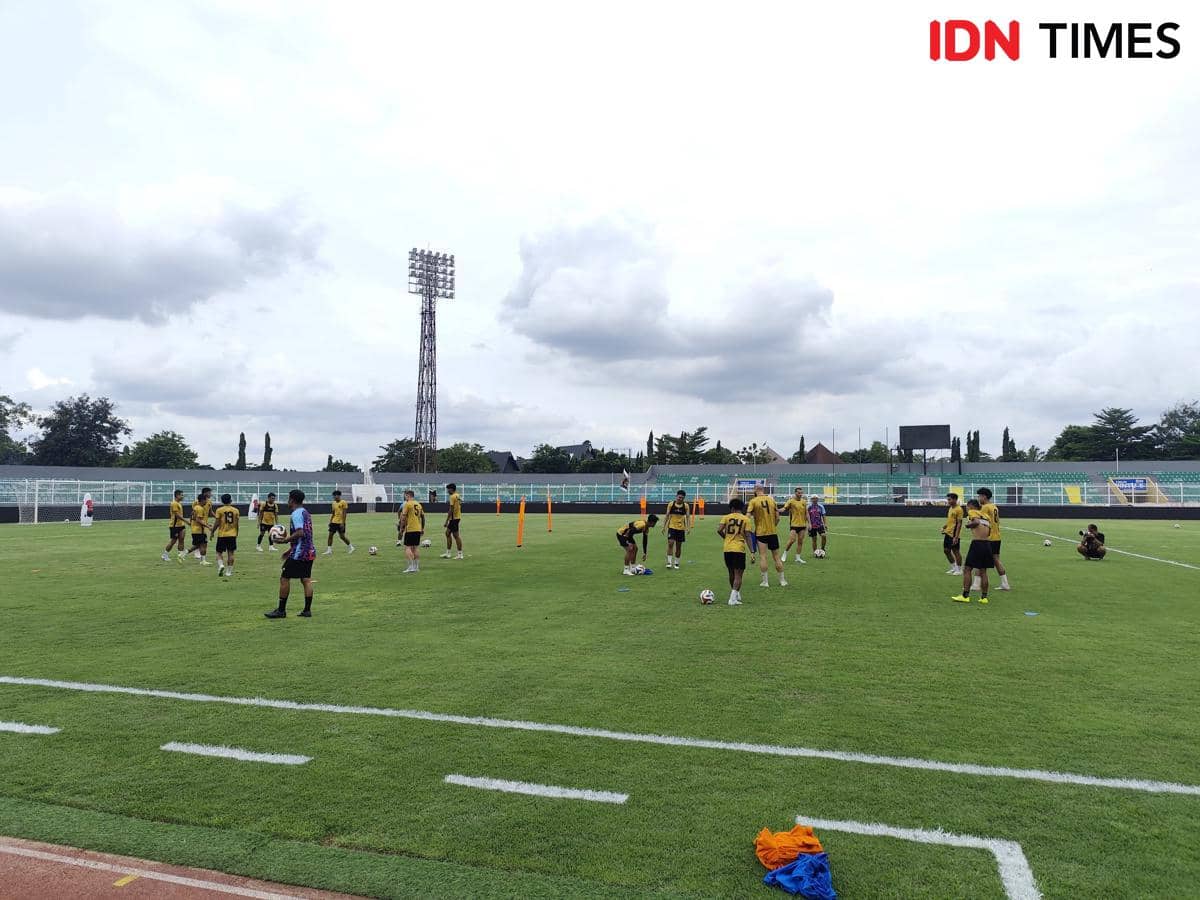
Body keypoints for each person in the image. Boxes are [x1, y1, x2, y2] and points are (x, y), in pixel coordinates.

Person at [266, 489, 315, 618]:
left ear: (292, 500)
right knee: (306, 579)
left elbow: (300, 532)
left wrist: (284, 540)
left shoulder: (296, 514)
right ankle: (307, 610)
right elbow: (306, 534)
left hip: (300, 553)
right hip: (309, 550)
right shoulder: (305, 512)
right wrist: (290, 550)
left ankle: (281, 611)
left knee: (284, 578)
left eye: (288, 498)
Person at [952, 499, 993, 604]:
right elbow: (989, 532)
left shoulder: (972, 512)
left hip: (977, 544)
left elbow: (976, 522)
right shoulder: (986, 515)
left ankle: (965, 596)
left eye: (967, 506)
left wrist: (968, 525)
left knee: (967, 569)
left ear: (971, 506)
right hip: (987, 544)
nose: (966, 509)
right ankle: (984, 598)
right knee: (983, 571)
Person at [746, 484, 787, 588]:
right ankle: (782, 581)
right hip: (772, 532)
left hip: (761, 533)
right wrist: (773, 526)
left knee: (763, 556)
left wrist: (748, 528)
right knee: (777, 557)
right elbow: (778, 518)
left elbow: (748, 517)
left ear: (755, 490)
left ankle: (765, 582)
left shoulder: (753, 501)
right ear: (763, 490)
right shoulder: (772, 500)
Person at [717, 498, 752, 606]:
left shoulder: (726, 517)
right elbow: (747, 535)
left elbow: (719, 530)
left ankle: (736, 594)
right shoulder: (746, 519)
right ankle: (732, 599)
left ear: (732, 508)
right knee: (738, 575)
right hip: (739, 549)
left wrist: (726, 538)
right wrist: (752, 551)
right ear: (742, 508)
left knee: (731, 573)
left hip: (727, 549)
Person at [976, 488, 1010, 590]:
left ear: (984, 496)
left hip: (988, 538)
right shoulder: (994, 506)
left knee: (980, 560)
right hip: (996, 537)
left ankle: (976, 584)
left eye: (979, 496)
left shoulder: (985, 507)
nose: (978, 498)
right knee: (996, 560)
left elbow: (981, 523)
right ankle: (1005, 583)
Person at [211, 493, 240, 578]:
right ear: (231, 500)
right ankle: (229, 572)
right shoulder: (236, 510)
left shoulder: (219, 510)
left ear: (222, 501)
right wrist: (236, 533)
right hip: (232, 534)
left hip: (222, 535)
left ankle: (221, 565)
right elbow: (237, 524)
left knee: (219, 552)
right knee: (231, 553)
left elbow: (217, 523)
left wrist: (212, 531)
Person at [661, 490, 691, 569]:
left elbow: (688, 517)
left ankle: (676, 563)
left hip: (681, 528)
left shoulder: (686, 506)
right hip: (672, 527)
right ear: (676, 496)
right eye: (679, 497)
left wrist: (688, 527)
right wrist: (664, 526)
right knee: (670, 543)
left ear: (684, 498)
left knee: (678, 546)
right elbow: (667, 515)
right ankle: (669, 562)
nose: (680, 499)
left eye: (682, 498)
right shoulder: (671, 504)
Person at [399, 489, 426, 574]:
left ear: (408, 495)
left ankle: (410, 567)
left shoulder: (407, 504)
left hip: (410, 528)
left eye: (405, 495)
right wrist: (422, 528)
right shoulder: (418, 504)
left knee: (407, 547)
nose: (404, 497)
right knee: (415, 547)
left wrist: (401, 529)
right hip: (417, 528)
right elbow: (423, 517)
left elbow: (403, 517)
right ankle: (416, 567)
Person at [780, 488, 808, 565]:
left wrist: (810, 523)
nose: (800, 494)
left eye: (801, 493)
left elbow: (806, 513)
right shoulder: (791, 501)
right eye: (799, 493)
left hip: (802, 525)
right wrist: (777, 510)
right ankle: (785, 553)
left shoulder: (804, 502)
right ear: (795, 493)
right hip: (794, 524)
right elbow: (784, 509)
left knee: (800, 541)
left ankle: (798, 558)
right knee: (792, 540)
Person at [325, 490, 354, 555]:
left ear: (339, 496)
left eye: (336, 495)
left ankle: (351, 547)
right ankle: (329, 550)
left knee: (342, 537)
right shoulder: (333, 503)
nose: (335, 497)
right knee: (330, 535)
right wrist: (330, 521)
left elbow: (344, 513)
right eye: (334, 496)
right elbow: (333, 513)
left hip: (340, 523)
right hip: (334, 522)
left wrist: (343, 523)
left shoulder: (343, 502)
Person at [162, 489, 187, 562]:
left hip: (181, 525)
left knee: (182, 539)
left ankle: (180, 555)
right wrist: (186, 521)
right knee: (173, 541)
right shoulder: (174, 503)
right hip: (174, 526)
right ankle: (165, 555)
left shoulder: (179, 503)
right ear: (177, 495)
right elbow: (177, 515)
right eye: (181, 495)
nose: (183, 496)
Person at [942, 492, 964, 575]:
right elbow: (950, 520)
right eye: (948, 499)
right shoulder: (951, 508)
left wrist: (956, 536)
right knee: (946, 550)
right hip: (948, 532)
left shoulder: (959, 509)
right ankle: (953, 567)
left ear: (955, 499)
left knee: (956, 551)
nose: (948, 501)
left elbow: (959, 523)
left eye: (949, 499)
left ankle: (959, 569)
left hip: (954, 534)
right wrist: (944, 527)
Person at [441, 483, 464, 559]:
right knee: (447, 533)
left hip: (454, 518)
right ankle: (448, 553)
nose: (447, 491)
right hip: (456, 517)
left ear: (451, 489)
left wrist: (446, 521)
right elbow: (460, 503)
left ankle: (460, 554)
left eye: (448, 489)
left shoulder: (452, 497)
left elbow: (451, 509)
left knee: (456, 536)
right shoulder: (457, 495)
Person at [190, 490, 213, 566]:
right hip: (199, 525)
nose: (210, 494)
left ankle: (201, 558)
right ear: (205, 493)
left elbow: (210, 512)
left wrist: (216, 516)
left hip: (203, 524)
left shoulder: (209, 502)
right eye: (209, 492)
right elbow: (194, 514)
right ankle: (187, 553)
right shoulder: (197, 504)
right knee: (201, 543)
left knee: (201, 542)